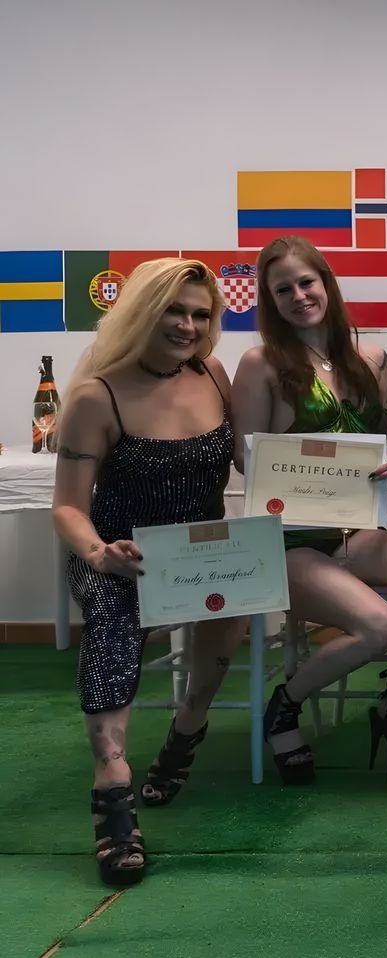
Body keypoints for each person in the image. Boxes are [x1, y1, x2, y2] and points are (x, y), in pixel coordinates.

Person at [52, 258, 244, 885]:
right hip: (120, 556)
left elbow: (263, 461)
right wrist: (97, 552)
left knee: (242, 598)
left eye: (200, 314)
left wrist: (358, 473)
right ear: (141, 313)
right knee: (112, 615)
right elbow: (67, 508)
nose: (188, 326)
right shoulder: (97, 394)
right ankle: (112, 783)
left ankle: (186, 732)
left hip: (203, 553)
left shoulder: (214, 374)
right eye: (174, 312)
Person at [231, 236, 387, 786]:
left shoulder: (372, 359)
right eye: (283, 290)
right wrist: (305, 468)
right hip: (289, 540)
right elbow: (245, 458)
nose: (299, 296)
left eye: (307, 282)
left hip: (354, 528)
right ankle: (285, 704)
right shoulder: (260, 364)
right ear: (269, 301)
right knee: (379, 624)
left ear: (327, 284)